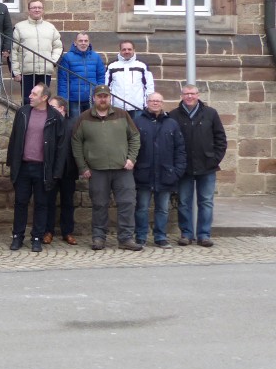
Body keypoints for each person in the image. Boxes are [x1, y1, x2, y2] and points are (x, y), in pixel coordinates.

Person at [71, 84, 142, 251]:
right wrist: (82, 167)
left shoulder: (122, 115)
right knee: (99, 205)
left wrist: (131, 158)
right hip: (96, 170)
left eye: (106, 96)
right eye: (99, 96)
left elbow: (135, 137)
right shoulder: (84, 118)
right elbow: (76, 143)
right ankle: (98, 237)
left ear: (110, 98)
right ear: (94, 98)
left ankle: (125, 238)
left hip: (122, 170)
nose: (103, 99)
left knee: (127, 203)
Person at [6, 84, 65, 253]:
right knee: (20, 203)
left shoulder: (55, 117)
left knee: (41, 204)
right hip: (23, 167)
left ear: (44, 97)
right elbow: (14, 138)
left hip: (43, 168)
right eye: (30, 93)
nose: (30, 96)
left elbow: (61, 147)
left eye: (34, 94)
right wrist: (11, 163)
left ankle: (37, 237)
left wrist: (56, 172)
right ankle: (17, 236)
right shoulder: (23, 112)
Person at [171, 84, 228, 247]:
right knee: (184, 202)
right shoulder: (174, 115)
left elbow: (221, 139)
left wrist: (214, 159)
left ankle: (204, 234)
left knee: (206, 201)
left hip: (207, 166)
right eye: (186, 94)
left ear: (198, 95)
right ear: (182, 95)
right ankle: (186, 234)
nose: (190, 96)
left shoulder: (210, 113)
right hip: (184, 167)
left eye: (193, 94)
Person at [133, 93, 186, 248]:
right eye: (152, 101)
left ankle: (160, 237)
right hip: (144, 173)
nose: (155, 103)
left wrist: (177, 171)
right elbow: (131, 148)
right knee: (141, 208)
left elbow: (180, 149)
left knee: (162, 209)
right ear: (147, 102)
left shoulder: (172, 124)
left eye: (158, 101)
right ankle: (141, 237)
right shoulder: (138, 122)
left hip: (166, 174)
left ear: (162, 103)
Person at [11, 0, 63, 106]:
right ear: (29, 10)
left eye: (39, 7)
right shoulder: (19, 27)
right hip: (26, 72)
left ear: (43, 10)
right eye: (34, 7)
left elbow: (58, 46)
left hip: (45, 71)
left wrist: (52, 61)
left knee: (44, 101)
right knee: (27, 101)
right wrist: (16, 72)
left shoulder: (50, 28)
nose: (37, 10)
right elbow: (13, 50)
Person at [45, 96, 80, 245]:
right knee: (48, 202)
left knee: (67, 202)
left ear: (62, 109)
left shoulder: (73, 124)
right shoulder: (47, 123)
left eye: (52, 107)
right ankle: (48, 231)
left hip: (68, 169)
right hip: (51, 169)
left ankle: (67, 232)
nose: (49, 110)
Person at [57, 33, 105, 118]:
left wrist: (99, 93)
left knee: (91, 123)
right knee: (75, 124)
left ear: (89, 42)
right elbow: (63, 80)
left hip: (92, 98)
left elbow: (101, 76)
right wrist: (63, 100)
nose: (83, 43)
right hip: (74, 99)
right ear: (75, 43)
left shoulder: (96, 57)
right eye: (80, 41)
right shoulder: (67, 57)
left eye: (86, 41)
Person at [106, 40, 155, 113]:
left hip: (137, 108)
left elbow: (149, 86)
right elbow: (107, 86)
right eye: (124, 49)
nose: (127, 51)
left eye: (129, 49)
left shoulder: (142, 65)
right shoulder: (112, 66)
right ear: (120, 51)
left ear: (134, 50)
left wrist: (148, 104)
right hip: (117, 107)